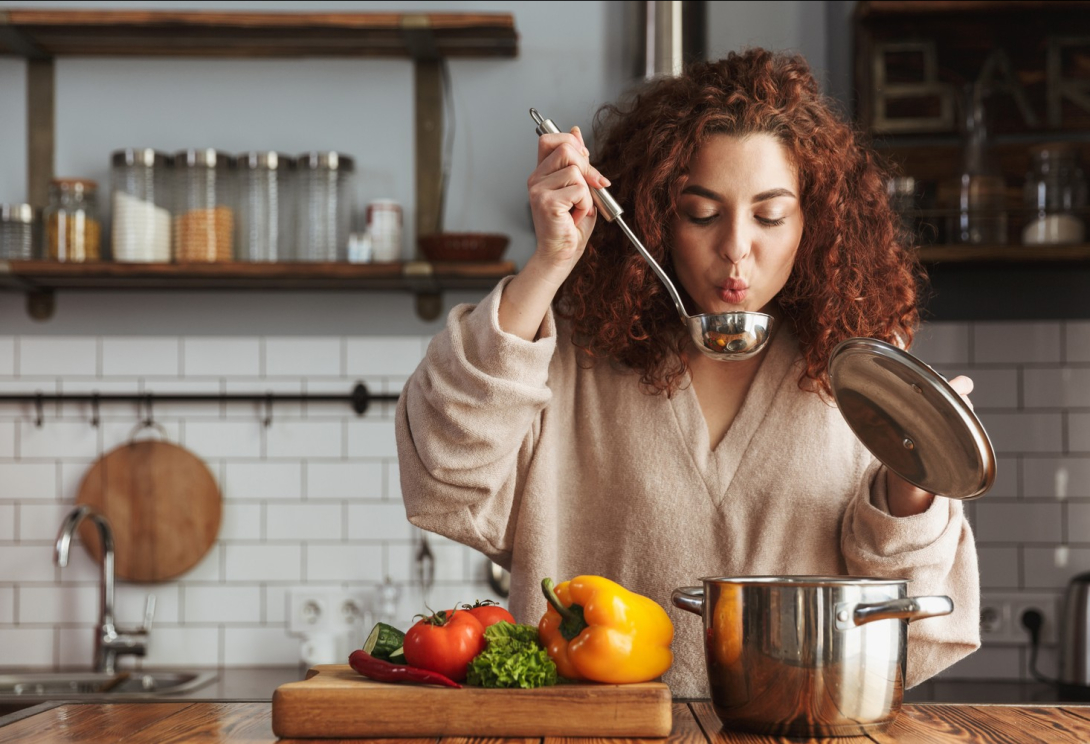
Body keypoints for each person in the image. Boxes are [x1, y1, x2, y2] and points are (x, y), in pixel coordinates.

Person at [395, 48, 980, 697]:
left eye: (769, 215)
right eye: (701, 213)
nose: (736, 246)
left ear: (812, 223)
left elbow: (911, 607)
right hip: (594, 738)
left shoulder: (866, 372)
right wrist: (550, 262)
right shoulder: (570, 359)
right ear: (656, 217)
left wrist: (915, 480)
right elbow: (445, 475)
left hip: (796, 734)